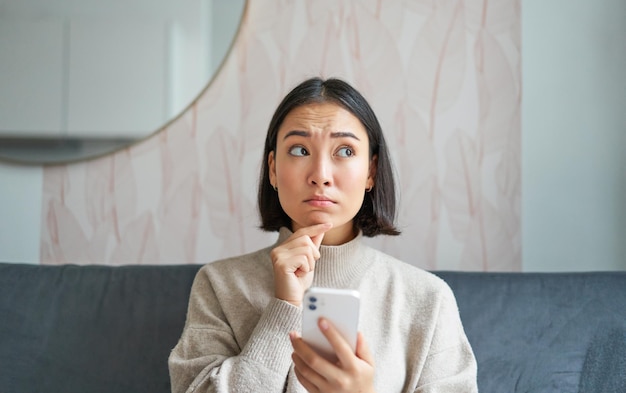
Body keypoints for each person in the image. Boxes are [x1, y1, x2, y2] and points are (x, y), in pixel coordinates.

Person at [168, 77, 478, 392]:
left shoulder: (428, 299)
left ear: (371, 172)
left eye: (344, 150)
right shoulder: (219, 286)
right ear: (273, 169)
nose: (320, 175)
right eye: (300, 149)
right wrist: (283, 308)